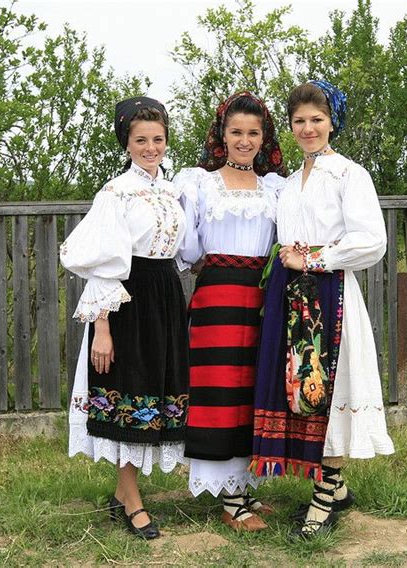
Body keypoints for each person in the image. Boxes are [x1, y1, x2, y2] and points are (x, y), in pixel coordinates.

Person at [251, 80, 395, 538]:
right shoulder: (290, 183)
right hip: (292, 295)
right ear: (290, 126)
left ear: (333, 122)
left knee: (326, 390)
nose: (308, 128)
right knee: (301, 390)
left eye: (317, 119)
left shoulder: (350, 175)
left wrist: (315, 258)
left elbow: (372, 240)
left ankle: (323, 498)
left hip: (328, 293)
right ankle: (337, 487)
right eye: (299, 121)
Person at [60, 96, 189, 540]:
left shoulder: (172, 191)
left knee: (156, 392)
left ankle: (123, 492)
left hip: (167, 296)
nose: (150, 147)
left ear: (166, 140)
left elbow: (183, 251)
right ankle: (131, 498)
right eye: (141, 140)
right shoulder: (114, 193)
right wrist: (101, 327)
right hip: (129, 301)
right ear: (127, 143)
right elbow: (102, 263)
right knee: (130, 393)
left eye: (157, 139)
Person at [175, 92, 287, 531]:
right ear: (222, 134)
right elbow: (189, 249)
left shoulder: (275, 187)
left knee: (254, 388)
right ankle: (228, 497)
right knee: (220, 388)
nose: (244, 140)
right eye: (236, 131)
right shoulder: (199, 184)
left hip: (261, 295)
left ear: (264, 137)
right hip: (218, 292)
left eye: (253, 133)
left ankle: (246, 485)